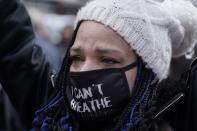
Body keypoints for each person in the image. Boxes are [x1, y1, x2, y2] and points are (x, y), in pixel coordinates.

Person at [1, 0, 197, 131]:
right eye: (76, 58)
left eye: (108, 60)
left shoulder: (176, 120)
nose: (85, 70)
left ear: (148, 72)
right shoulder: (50, 110)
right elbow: (12, 40)